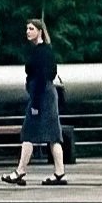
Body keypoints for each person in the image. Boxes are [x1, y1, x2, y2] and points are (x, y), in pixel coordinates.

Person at [5, 18, 66, 185]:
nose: (28, 31)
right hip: (45, 94)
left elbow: (41, 78)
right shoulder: (45, 50)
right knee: (53, 135)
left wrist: (36, 104)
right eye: (27, 29)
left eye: (31, 29)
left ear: (40, 31)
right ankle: (59, 172)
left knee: (29, 133)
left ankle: (20, 171)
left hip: (41, 95)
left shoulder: (41, 52)